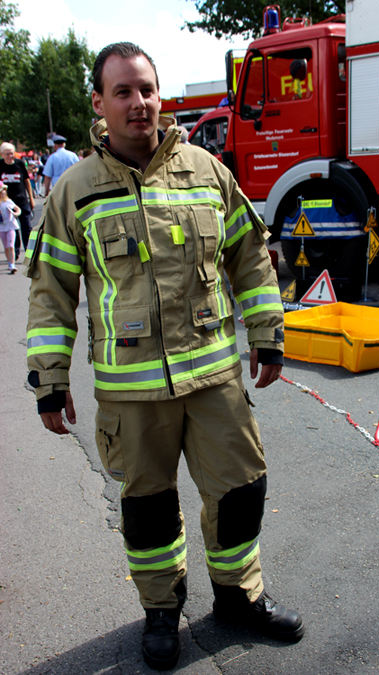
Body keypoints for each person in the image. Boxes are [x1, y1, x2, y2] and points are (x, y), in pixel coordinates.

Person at [26, 42, 303, 671]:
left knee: (241, 491)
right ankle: (160, 611)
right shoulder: (74, 193)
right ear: (99, 104)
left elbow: (249, 257)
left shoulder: (207, 172)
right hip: (131, 395)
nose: (139, 103)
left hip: (214, 378)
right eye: (122, 92)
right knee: (148, 510)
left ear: (160, 95)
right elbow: (52, 295)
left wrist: (267, 330)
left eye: (147, 89)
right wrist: (49, 378)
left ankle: (239, 598)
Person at [0, 142, 35, 261]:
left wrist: (31, 198)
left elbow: (26, 181)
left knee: (26, 226)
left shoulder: (19, 163)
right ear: (2, 155)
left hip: (22, 200)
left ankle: (29, 251)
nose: (11, 156)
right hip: (7, 203)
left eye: (12, 153)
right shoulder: (0, 165)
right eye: (8, 154)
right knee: (12, 228)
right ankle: (14, 253)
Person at [0, 181, 21, 274]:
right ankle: (9, 261)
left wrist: (15, 213)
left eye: (4, 190)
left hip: (11, 226)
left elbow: (17, 209)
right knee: (6, 247)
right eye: (1, 190)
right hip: (1, 228)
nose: (3, 192)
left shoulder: (8, 201)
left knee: (11, 246)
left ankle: (12, 265)